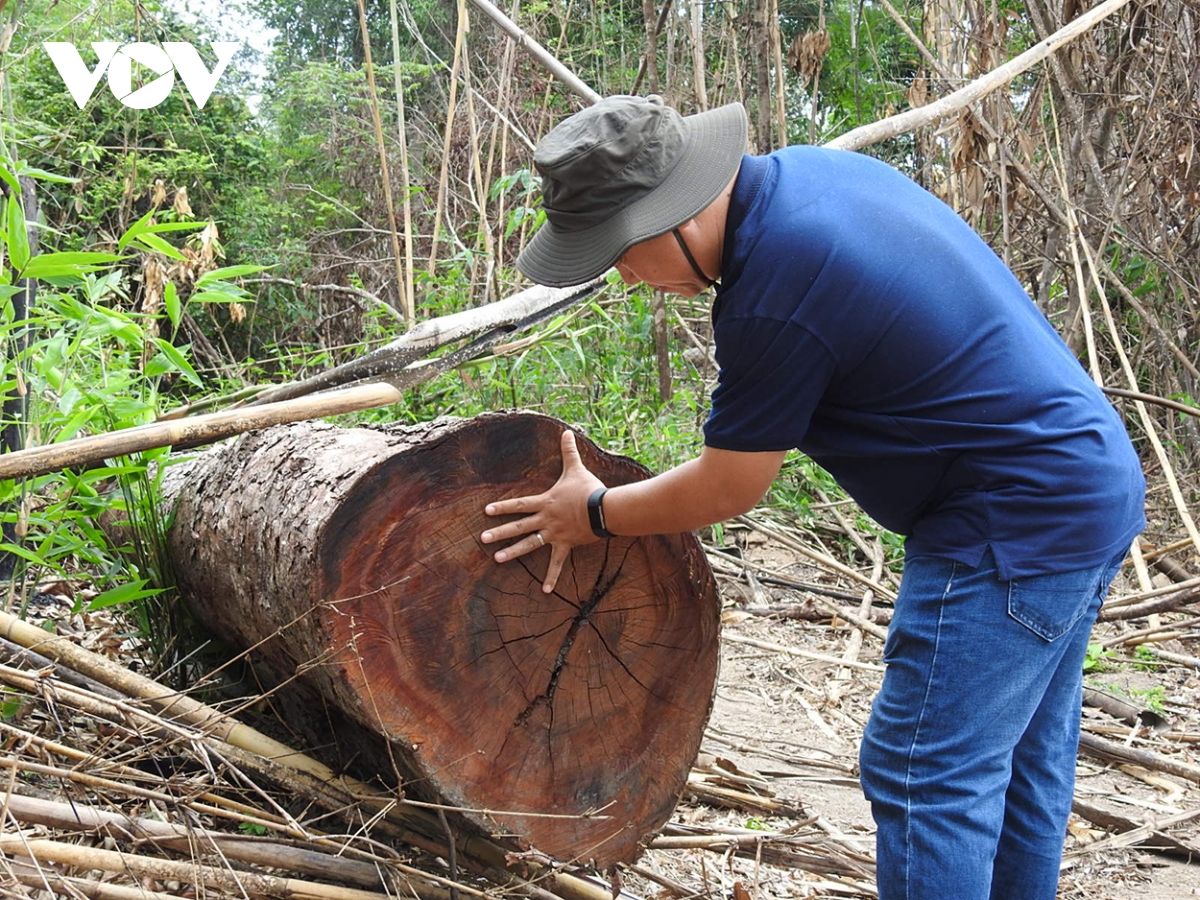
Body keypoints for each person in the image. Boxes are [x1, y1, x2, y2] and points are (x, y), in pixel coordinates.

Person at [479, 95, 1145, 899]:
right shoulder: (814, 178)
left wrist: (593, 513)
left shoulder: (774, 289)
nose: (625, 276)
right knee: (1018, 764)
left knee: (925, 771)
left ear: (671, 216)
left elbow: (732, 483)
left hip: (1013, 521)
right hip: (1088, 478)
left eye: (618, 252)